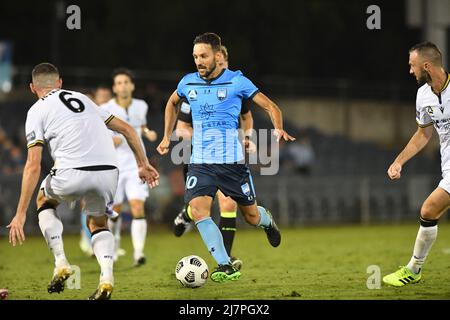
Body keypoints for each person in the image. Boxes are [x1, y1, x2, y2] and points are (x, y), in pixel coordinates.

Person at [6, 63, 159, 300]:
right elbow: (128, 129)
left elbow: (33, 165)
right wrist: (143, 163)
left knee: (44, 200)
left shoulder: (36, 111)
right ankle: (107, 278)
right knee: (98, 224)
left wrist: (20, 213)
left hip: (71, 172)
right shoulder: (83, 99)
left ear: (32, 88)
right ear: (59, 83)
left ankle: (60, 262)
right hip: (109, 172)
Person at [157, 32, 295, 283]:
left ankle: (267, 221)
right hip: (201, 162)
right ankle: (225, 264)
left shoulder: (237, 82)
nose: (199, 61)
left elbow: (270, 106)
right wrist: (167, 136)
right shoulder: (188, 82)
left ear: (217, 56)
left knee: (251, 217)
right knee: (199, 211)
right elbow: (172, 103)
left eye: (204, 56)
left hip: (232, 164)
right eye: (195, 56)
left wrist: (277, 127)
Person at [173, 45, 255, 271]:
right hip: (201, 157)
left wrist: (247, 137)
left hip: (228, 156)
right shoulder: (195, 91)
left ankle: (225, 261)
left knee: (229, 203)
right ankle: (187, 213)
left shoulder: (235, 88)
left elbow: (247, 118)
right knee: (201, 207)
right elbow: (181, 128)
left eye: (223, 67)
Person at [383, 41, 450, 286]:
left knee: (428, 210)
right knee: (430, 211)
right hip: (448, 169)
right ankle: (414, 270)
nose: (410, 71)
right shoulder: (423, 95)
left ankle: (413, 269)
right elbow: (423, 134)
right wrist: (399, 161)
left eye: (412, 66)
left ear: (426, 65)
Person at [101, 68, 158, 266]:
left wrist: (148, 132)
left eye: (126, 82)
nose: (123, 85)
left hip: (137, 164)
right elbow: (101, 132)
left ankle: (138, 254)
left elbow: (141, 126)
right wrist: (111, 140)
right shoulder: (106, 107)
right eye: (119, 83)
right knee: (114, 210)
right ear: (114, 88)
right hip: (115, 164)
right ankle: (114, 248)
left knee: (136, 205)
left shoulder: (141, 105)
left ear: (132, 86)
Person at [79, 85, 113, 257]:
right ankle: (88, 239)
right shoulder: (79, 121)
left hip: (105, 166)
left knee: (104, 206)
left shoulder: (105, 116)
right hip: (84, 166)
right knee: (88, 204)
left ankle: (101, 242)